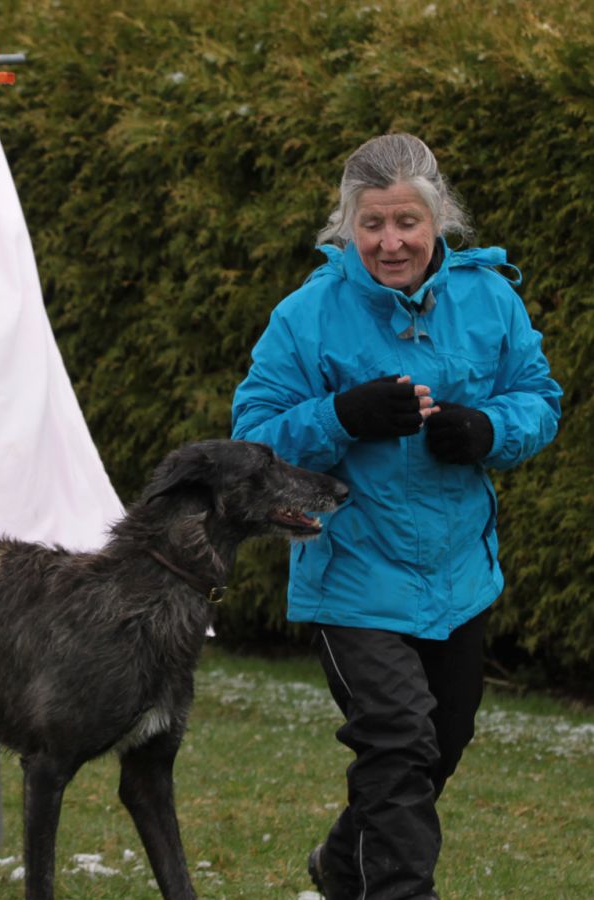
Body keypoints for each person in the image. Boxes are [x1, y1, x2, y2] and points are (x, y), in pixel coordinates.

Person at [231, 133, 561, 900]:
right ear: (346, 225)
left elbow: (537, 399)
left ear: (437, 218)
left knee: (438, 746)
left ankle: (342, 865)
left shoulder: (490, 299)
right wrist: (339, 416)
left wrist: (488, 429)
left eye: (406, 222)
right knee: (397, 743)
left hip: (458, 575)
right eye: (371, 223)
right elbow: (250, 441)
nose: (390, 242)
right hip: (352, 576)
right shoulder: (306, 316)